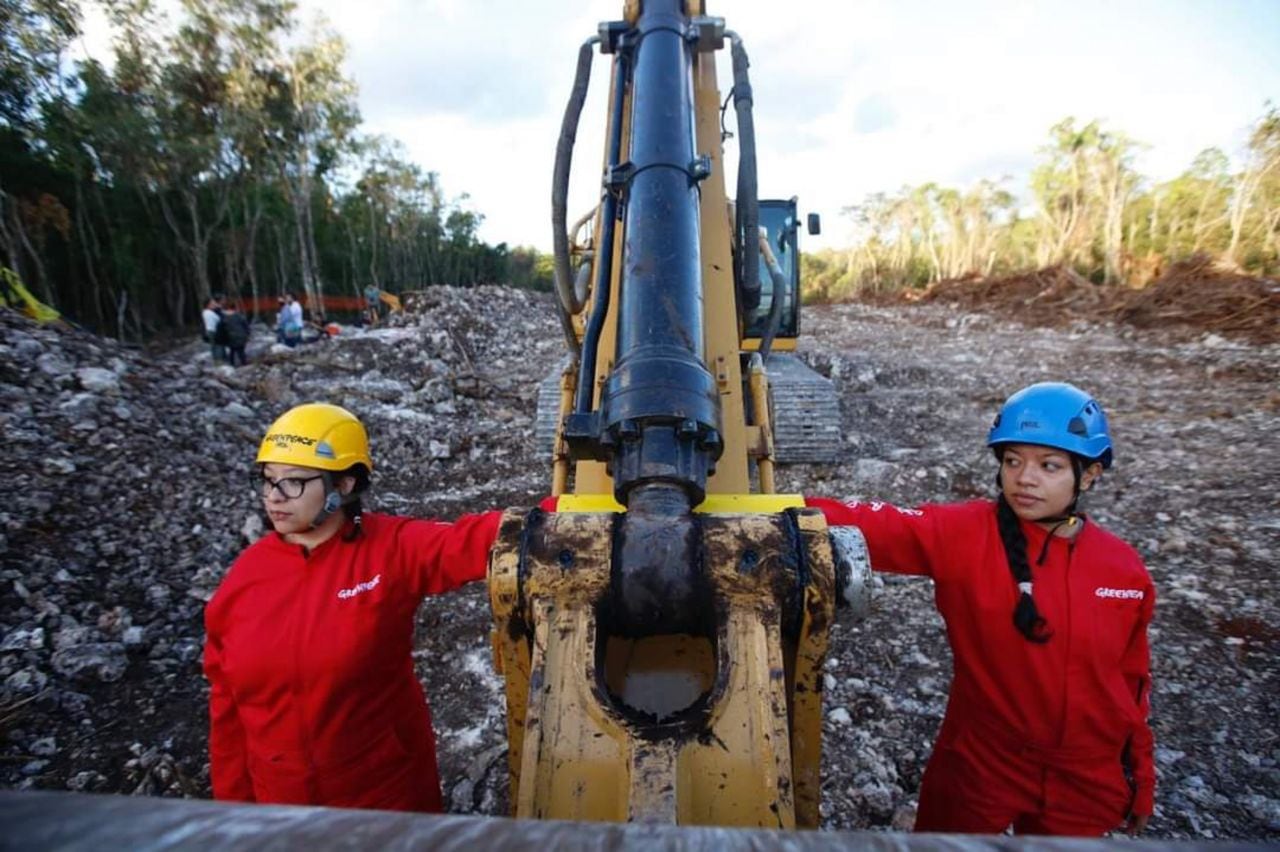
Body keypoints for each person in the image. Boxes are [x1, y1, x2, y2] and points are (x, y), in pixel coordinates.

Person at [808, 382, 1155, 837]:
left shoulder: (1123, 570)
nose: (1024, 478)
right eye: (1013, 461)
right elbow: (876, 522)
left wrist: (1140, 778)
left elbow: (1132, 685)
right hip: (982, 760)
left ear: (1088, 475)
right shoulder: (966, 535)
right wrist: (770, 510)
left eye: (1048, 466)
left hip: (1087, 776)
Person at [202, 403, 502, 811]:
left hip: (383, 798)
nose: (274, 497)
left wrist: (582, 515)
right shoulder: (245, 579)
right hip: (283, 807)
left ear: (342, 485)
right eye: (268, 480)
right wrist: (231, 814)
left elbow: (477, 538)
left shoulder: (390, 549)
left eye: (292, 483)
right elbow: (227, 708)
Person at [202, 296, 225, 362]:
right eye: (213, 303)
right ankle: (219, 361)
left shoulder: (210, 312)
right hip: (213, 331)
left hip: (213, 331)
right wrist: (218, 308)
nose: (215, 304)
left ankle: (219, 361)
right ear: (208, 305)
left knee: (217, 346)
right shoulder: (208, 312)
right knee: (217, 347)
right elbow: (220, 318)